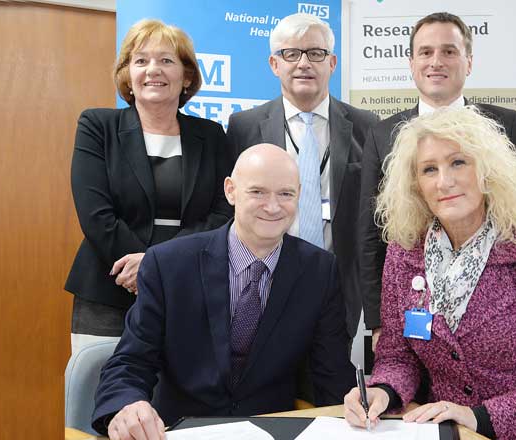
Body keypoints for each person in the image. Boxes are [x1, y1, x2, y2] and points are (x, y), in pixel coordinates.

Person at [344, 107, 516, 440]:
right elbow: (398, 356)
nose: (444, 181)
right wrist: (382, 391)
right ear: (415, 185)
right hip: (457, 434)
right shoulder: (404, 255)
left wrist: (479, 417)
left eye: (458, 163)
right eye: (429, 169)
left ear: (487, 171)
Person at [92, 144, 356, 440]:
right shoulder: (168, 264)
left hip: (273, 430)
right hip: (180, 430)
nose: (272, 206)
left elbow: (331, 373)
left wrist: (357, 410)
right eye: (257, 192)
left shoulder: (319, 271)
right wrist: (127, 405)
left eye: (285, 194)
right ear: (231, 191)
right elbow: (131, 361)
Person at [358, 12, 516, 349]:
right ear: (411, 63)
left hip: (494, 312)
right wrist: (378, 324)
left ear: (468, 62)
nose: (436, 61)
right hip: (413, 306)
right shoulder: (382, 135)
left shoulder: (506, 125)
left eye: (449, 51)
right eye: (425, 52)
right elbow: (370, 235)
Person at [65, 19, 232, 355]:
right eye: (140, 61)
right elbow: (96, 215)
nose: (152, 70)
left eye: (166, 60)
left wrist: (157, 266)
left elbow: (221, 213)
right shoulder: (98, 126)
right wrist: (144, 269)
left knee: (175, 402)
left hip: (187, 290)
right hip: (110, 291)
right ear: (128, 74)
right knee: (103, 398)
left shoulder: (211, 136)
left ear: (186, 76)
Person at [227, 13, 378, 339]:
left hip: (341, 289)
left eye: (315, 53)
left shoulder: (367, 126)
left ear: (332, 62)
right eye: (291, 54)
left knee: (335, 384)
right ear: (274, 64)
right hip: (264, 280)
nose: (303, 63)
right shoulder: (244, 126)